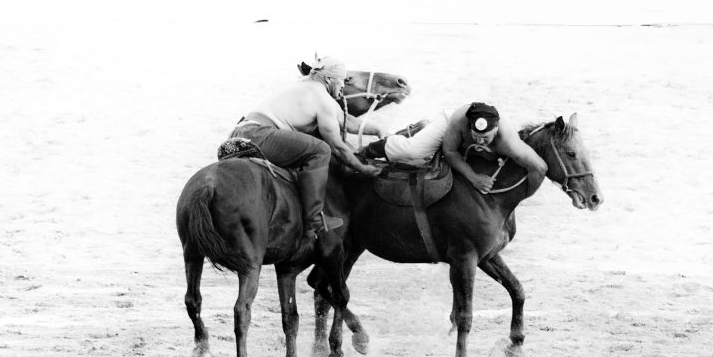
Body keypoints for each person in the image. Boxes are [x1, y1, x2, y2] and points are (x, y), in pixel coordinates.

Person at [230, 55, 383, 241]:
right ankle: (314, 219)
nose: (343, 86)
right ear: (329, 80)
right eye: (341, 81)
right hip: (259, 135)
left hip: (239, 133)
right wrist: (364, 169)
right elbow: (338, 147)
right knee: (321, 149)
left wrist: (378, 129)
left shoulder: (305, 86)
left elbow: (345, 121)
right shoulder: (322, 99)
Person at [361, 102, 547, 197]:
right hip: (448, 127)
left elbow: (539, 167)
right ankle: (375, 148)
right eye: (476, 135)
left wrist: (522, 196)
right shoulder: (459, 121)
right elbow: (450, 152)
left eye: (486, 137)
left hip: (468, 137)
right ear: (470, 127)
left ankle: (422, 131)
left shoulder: (509, 142)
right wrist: (474, 178)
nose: (481, 140)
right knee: (414, 153)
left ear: (496, 129)